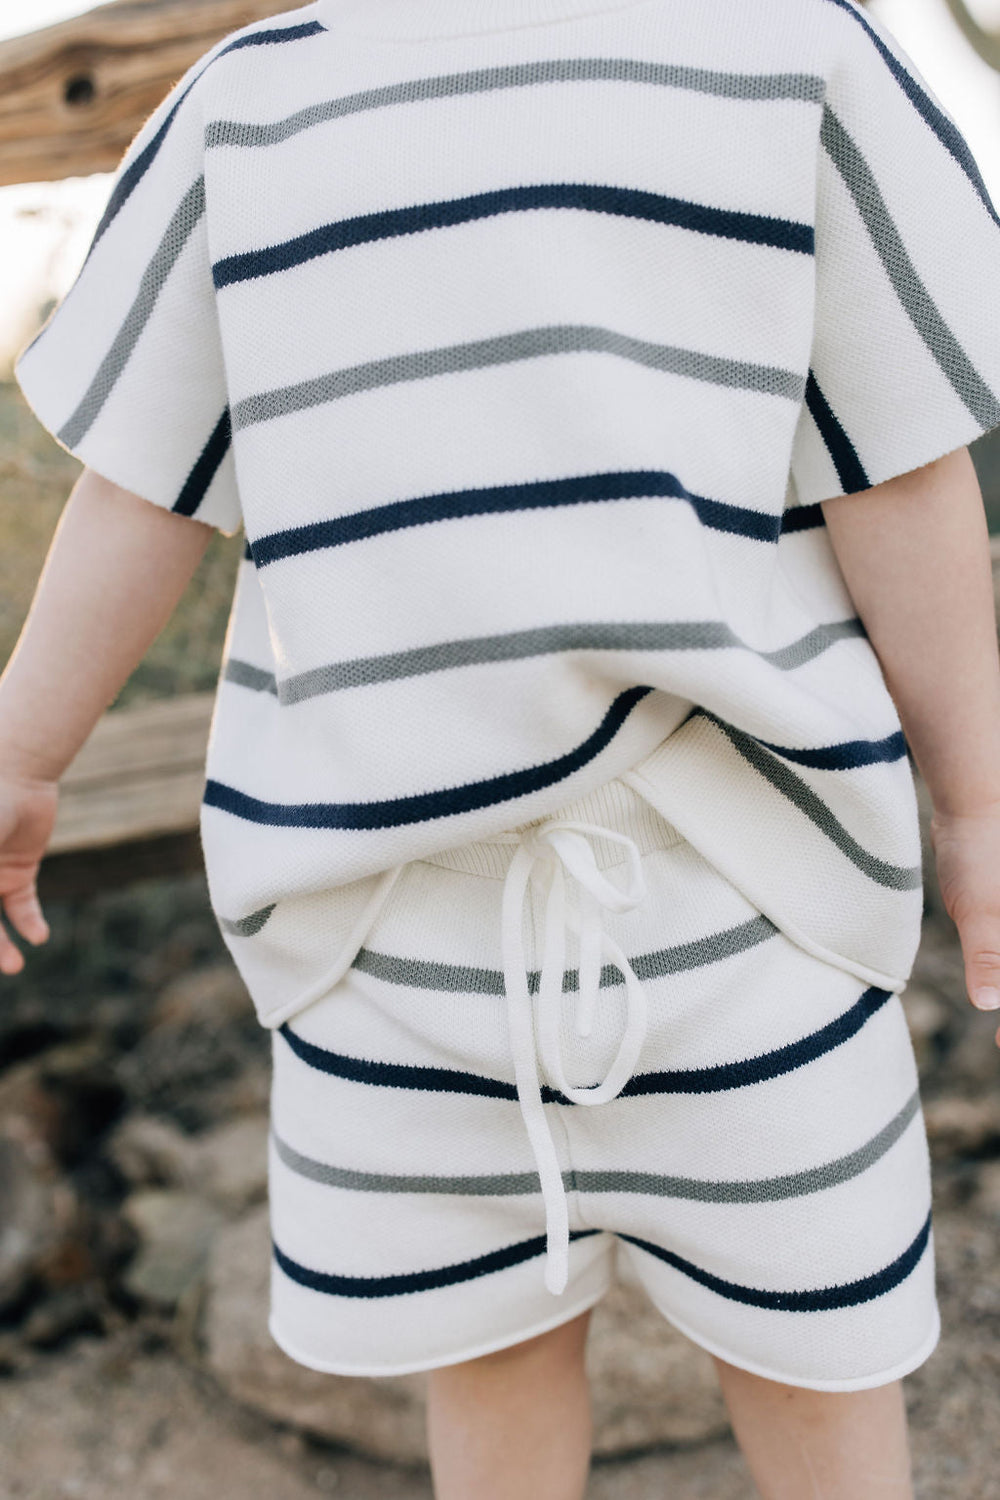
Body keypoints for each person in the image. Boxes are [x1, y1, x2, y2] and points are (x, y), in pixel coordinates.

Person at [3, 0, 1000, 1494]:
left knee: (793, 1370)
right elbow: (901, 475)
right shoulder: (244, 109)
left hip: (710, 914)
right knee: (623, 1372)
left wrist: (978, 805)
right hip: (440, 941)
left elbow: (902, 467)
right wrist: (971, 802)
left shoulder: (794, 56)